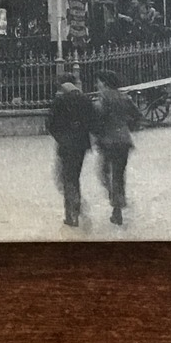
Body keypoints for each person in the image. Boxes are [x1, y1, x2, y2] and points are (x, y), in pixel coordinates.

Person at [46, 72, 96, 227]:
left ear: (61, 84)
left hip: (66, 146)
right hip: (81, 145)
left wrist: (61, 138)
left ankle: (71, 215)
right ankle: (77, 206)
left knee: (67, 179)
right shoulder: (85, 99)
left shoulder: (59, 100)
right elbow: (93, 121)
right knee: (75, 176)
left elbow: (50, 124)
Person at [94, 69, 140, 226]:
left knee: (103, 173)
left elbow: (98, 118)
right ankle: (118, 202)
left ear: (105, 83)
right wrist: (126, 126)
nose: (97, 85)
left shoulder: (103, 98)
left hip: (108, 142)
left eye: (99, 82)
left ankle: (116, 205)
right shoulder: (124, 96)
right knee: (118, 174)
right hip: (124, 141)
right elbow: (137, 115)